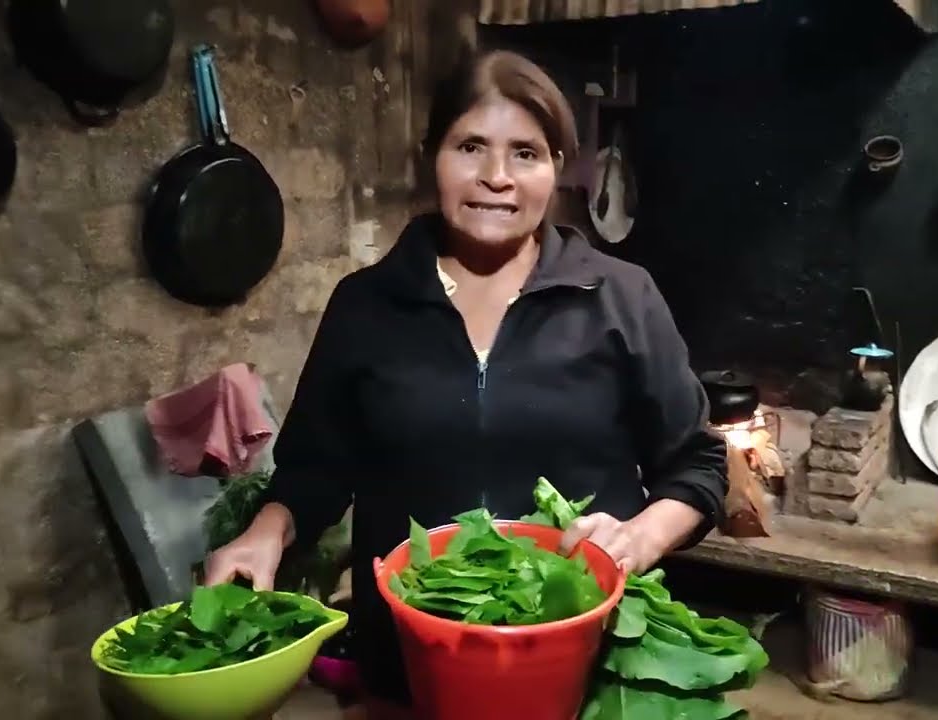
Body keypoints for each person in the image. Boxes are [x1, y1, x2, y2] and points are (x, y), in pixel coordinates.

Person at [204, 49, 728, 716]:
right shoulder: (367, 305)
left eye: (526, 154)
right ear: (432, 156)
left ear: (558, 167)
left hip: (582, 657)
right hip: (412, 662)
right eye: (471, 146)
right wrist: (266, 530)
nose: (496, 178)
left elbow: (698, 463)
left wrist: (642, 537)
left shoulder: (620, 298)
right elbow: (315, 467)